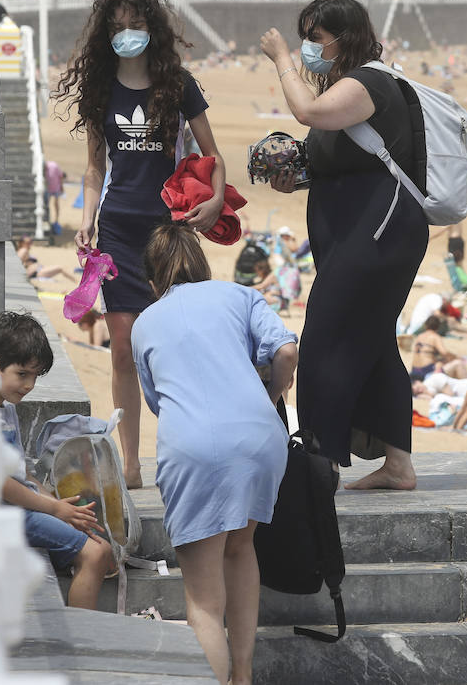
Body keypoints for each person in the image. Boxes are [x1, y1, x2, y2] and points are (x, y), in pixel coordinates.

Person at [60, 0, 228, 489]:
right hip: (116, 226)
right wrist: (85, 218)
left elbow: (210, 157)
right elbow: (94, 168)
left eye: (135, 25)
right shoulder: (101, 86)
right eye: (117, 27)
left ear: (151, 28)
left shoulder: (177, 85)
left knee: (177, 342)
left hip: (168, 230)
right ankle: (130, 462)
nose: (126, 34)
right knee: (121, 347)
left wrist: (216, 200)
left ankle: (182, 450)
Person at [259, 0, 429, 491]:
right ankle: (397, 465)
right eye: (304, 38)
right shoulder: (346, 85)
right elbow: (341, 163)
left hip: (380, 231)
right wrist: (295, 177)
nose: (308, 47)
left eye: (314, 37)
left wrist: (282, 59)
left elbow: (308, 111)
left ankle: (321, 461)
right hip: (353, 232)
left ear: (344, 37)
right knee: (374, 343)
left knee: (323, 343)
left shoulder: (370, 82)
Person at [131, 224, 296, 685]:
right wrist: (271, 396)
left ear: (153, 281)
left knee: (203, 600)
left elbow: (158, 401)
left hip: (193, 444)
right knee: (241, 549)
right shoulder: (240, 295)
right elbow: (285, 349)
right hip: (261, 436)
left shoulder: (144, 322)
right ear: (203, 267)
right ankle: (243, 674)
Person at [0, 312, 113, 610]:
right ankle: (80, 644)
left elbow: (24, 475)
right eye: (22, 374)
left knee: (92, 533)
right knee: (96, 553)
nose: (29, 385)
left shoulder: (5, 407)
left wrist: (60, 503)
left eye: (34, 376)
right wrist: (55, 508)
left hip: (19, 506)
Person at [410, 315, 467, 381]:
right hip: (426, 371)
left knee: (441, 362)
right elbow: (444, 352)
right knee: (458, 363)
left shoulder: (419, 336)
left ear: (426, 325)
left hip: (415, 371)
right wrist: (456, 357)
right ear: (438, 327)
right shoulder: (435, 337)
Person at [44, 160, 66, 228]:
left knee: (56, 205)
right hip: (49, 189)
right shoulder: (44, 169)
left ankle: (56, 220)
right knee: (47, 205)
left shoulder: (54, 165)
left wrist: (61, 187)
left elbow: (61, 176)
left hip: (56, 188)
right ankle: (47, 220)